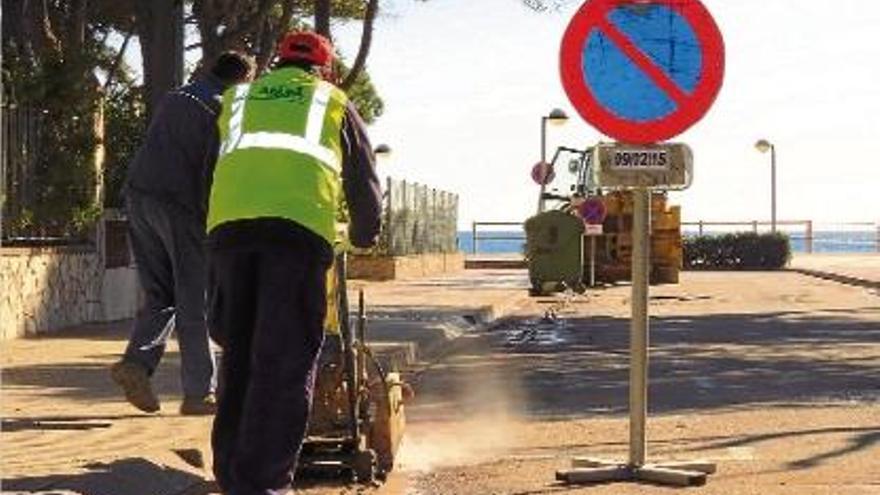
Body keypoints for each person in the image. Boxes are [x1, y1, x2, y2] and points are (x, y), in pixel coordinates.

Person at [205, 31, 382, 494]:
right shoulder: (333, 102)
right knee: (281, 364)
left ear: (277, 63)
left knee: (239, 358)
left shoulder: (238, 99)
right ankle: (263, 485)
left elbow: (212, 167)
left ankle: (232, 476)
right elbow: (363, 178)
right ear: (324, 69)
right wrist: (364, 234)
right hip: (295, 238)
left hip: (230, 236)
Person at [111, 52, 255, 416]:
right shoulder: (223, 109)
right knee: (194, 300)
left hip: (139, 196)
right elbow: (212, 170)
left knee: (162, 294)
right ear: (242, 80)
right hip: (181, 207)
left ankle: (137, 365)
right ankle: (198, 393)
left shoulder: (176, 97)